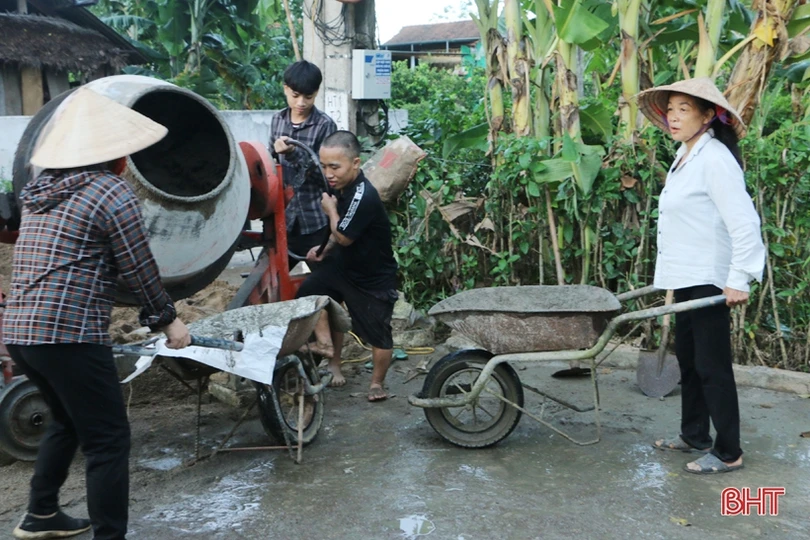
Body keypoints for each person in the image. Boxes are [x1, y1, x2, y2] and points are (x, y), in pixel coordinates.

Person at [3, 87, 191, 539]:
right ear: (119, 157)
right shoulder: (111, 191)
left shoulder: (39, 191)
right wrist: (168, 320)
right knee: (108, 439)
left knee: (67, 419)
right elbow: (140, 269)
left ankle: (42, 513)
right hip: (68, 334)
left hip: (21, 332)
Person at [635, 77, 765, 474]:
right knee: (690, 360)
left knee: (712, 366)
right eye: (670, 109)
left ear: (708, 116)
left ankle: (729, 452)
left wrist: (739, 278)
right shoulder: (685, 154)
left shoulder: (715, 160)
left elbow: (744, 222)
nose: (673, 117)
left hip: (710, 277)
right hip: (686, 275)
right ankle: (694, 434)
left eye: (684, 110)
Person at [295, 131, 399, 402]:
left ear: (355, 163)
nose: (328, 173)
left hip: (372, 277)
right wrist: (323, 251)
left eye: (335, 167)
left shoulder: (363, 196)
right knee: (310, 290)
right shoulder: (340, 186)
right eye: (324, 166)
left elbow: (343, 234)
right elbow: (337, 239)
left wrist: (330, 210)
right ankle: (326, 345)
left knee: (380, 335)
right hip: (343, 267)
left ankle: (376, 384)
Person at [269, 60, 337, 273]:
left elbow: (326, 177)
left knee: (325, 281)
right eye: (295, 95)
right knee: (272, 276)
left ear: (316, 93)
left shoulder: (325, 125)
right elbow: (270, 164)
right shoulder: (277, 120)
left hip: (314, 220)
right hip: (284, 219)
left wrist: (293, 153)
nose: (301, 102)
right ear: (286, 89)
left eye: (308, 97)